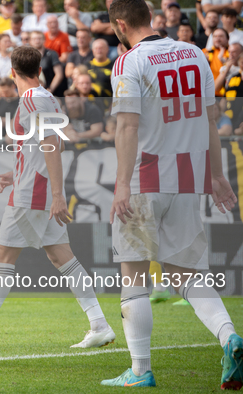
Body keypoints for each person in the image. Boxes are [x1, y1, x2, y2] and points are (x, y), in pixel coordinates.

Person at [102, 0, 242, 388]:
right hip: (186, 180)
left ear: (119, 24)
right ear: (151, 18)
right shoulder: (195, 53)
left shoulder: (129, 61)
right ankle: (229, 336)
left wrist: (122, 184)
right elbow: (210, 120)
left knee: (133, 275)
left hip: (147, 177)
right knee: (187, 275)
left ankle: (141, 370)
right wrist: (216, 174)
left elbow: (128, 126)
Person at [0, 45, 115, 349]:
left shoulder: (32, 99)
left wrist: (57, 193)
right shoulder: (47, 97)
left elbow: (50, 142)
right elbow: (53, 145)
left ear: (12, 72)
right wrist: (18, 173)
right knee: (61, 256)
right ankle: (99, 324)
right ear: (40, 70)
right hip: (36, 185)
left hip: (34, 191)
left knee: (3, 257)